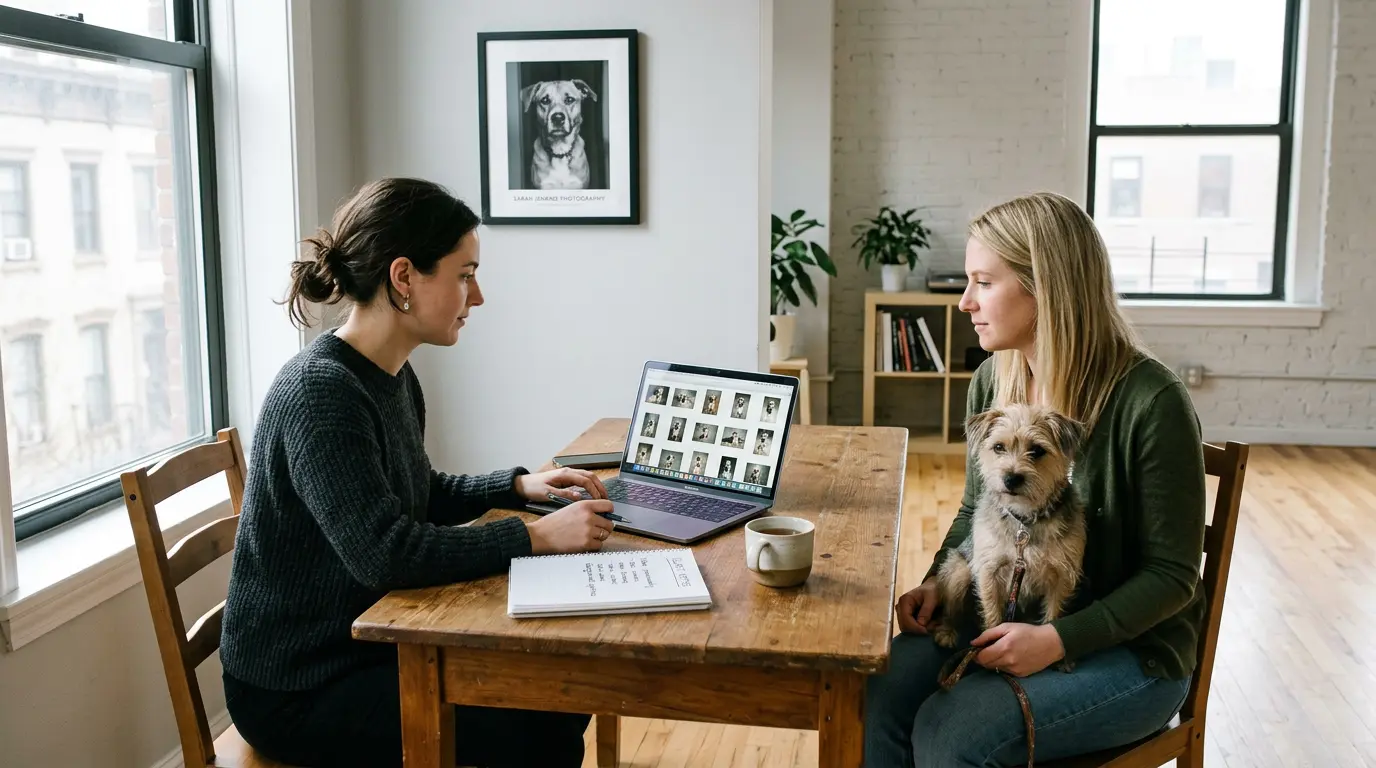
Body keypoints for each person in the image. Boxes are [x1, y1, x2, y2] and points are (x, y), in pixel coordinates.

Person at [219, 178, 617, 767]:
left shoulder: (391, 374)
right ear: (404, 278)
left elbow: (418, 494)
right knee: (545, 716)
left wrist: (516, 486)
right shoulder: (321, 393)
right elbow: (384, 553)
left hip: (361, 644)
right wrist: (533, 535)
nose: (476, 296)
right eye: (464, 274)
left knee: (555, 689)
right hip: (298, 686)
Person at [863, 191, 1207, 767]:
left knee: (952, 733)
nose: (964, 301)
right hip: (1007, 618)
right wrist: (933, 587)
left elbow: (1173, 577)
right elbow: (976, 516)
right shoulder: (992, 381)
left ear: (1045, 287)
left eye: (984, 282)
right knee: (876, 693)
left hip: (1132, 655)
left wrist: (1058, 640)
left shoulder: (1152, 402)